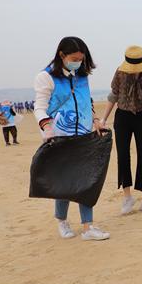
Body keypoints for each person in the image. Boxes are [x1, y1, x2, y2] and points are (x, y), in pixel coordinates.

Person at [34, 36, 110, 241]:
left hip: (85, 135)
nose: (78, 62)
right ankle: (62, 220)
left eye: (81, 59)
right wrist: (47, 127)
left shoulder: (82, 75)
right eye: (74, 58)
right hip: (60, 137)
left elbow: (87, 101)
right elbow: (39, 107)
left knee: (87, 180)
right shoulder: (46, 76)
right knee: (65, 182)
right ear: (62, 55)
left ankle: (88, 227)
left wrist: (95, 120)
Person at [100, 45, 142, 215]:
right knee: (123, 156)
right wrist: (103, 119)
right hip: (122, 117)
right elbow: (113, 95)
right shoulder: (120, 73)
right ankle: (127, 197)